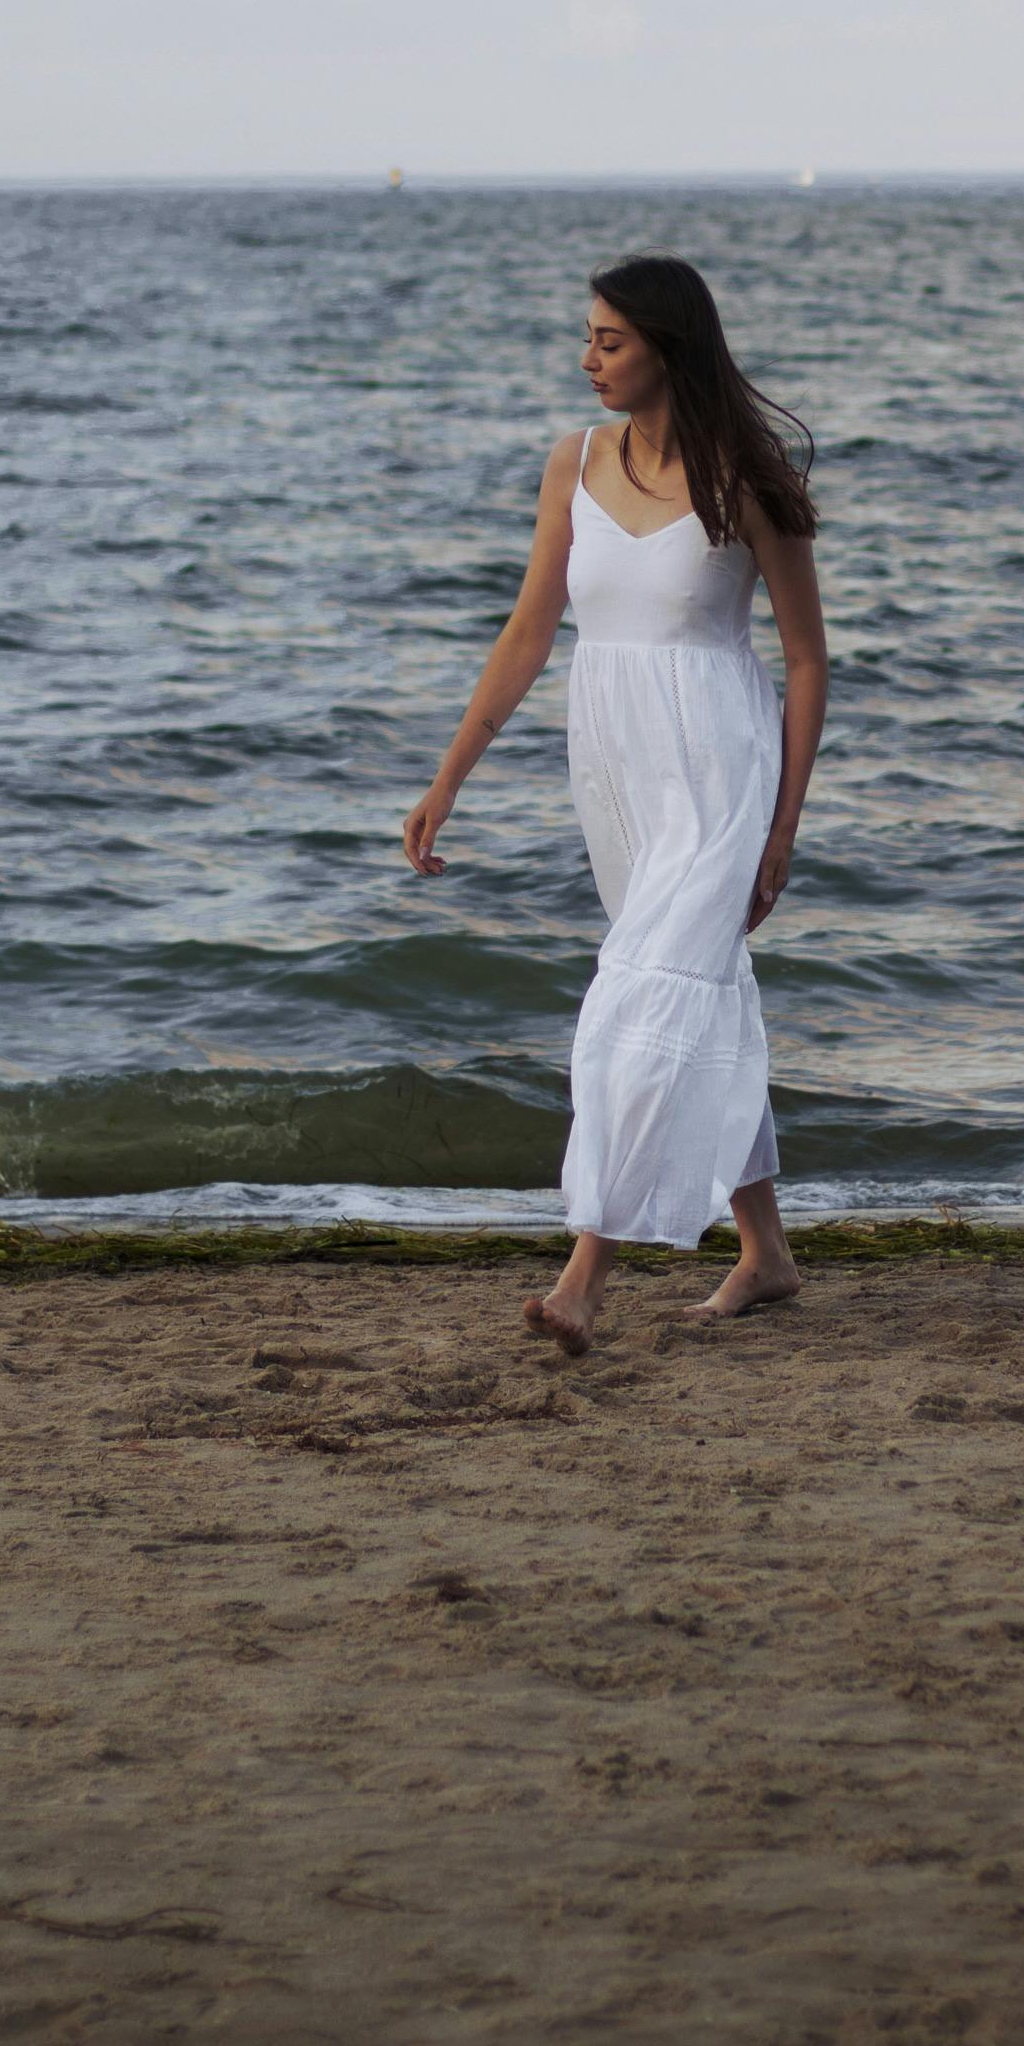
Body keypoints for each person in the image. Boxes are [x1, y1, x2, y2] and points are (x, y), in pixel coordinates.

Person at [402, 256, 827, 1345]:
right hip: (617, 767)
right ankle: (767, 1252)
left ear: (666, 348)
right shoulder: (573, 463)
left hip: (721, 766)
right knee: (701, 994)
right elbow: (530, 632)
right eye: (587, 338)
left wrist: (783, 824)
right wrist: (447, 781)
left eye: (609, 341)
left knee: (638, 1003)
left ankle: (584, 1276)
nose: (586, 359)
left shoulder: (747, 472)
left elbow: (807, 657)